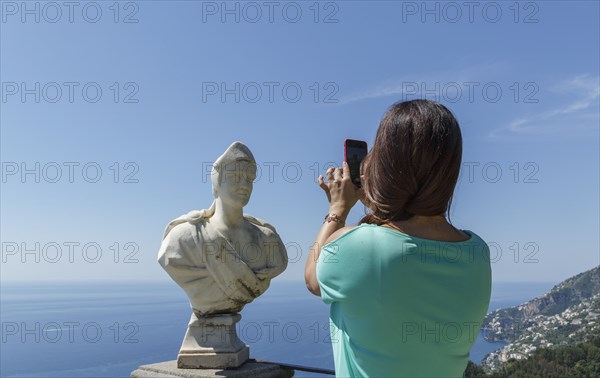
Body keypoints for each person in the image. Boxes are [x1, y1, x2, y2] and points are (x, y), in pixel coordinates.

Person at [304, 100, 492, 378]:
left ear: (386, 166)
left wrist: (337, 210)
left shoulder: (362, 247)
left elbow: (313, 278)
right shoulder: (478, 253)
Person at [158, 141, 288, 317]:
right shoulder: (184, 237)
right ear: (217, 183)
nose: (244, 184)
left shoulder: (267, 239)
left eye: (249, 179)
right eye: (235, 176)